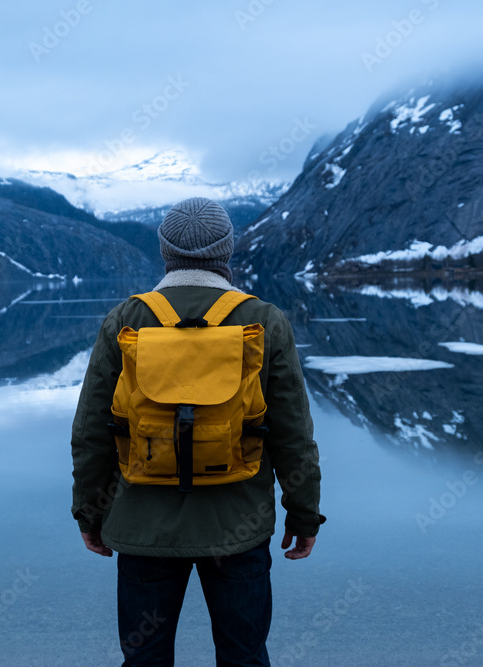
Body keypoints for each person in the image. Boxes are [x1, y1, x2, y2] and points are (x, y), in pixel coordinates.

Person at [71, 196, 325, 666]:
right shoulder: (264, 320)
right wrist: (304, 514)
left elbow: (91, 433)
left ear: (165, 252)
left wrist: (90, 514)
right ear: (225, 251)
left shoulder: (126, 320)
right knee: (243, 657)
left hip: (143, 527)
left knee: (144, 659)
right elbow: (293, 435)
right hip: (238, 527)